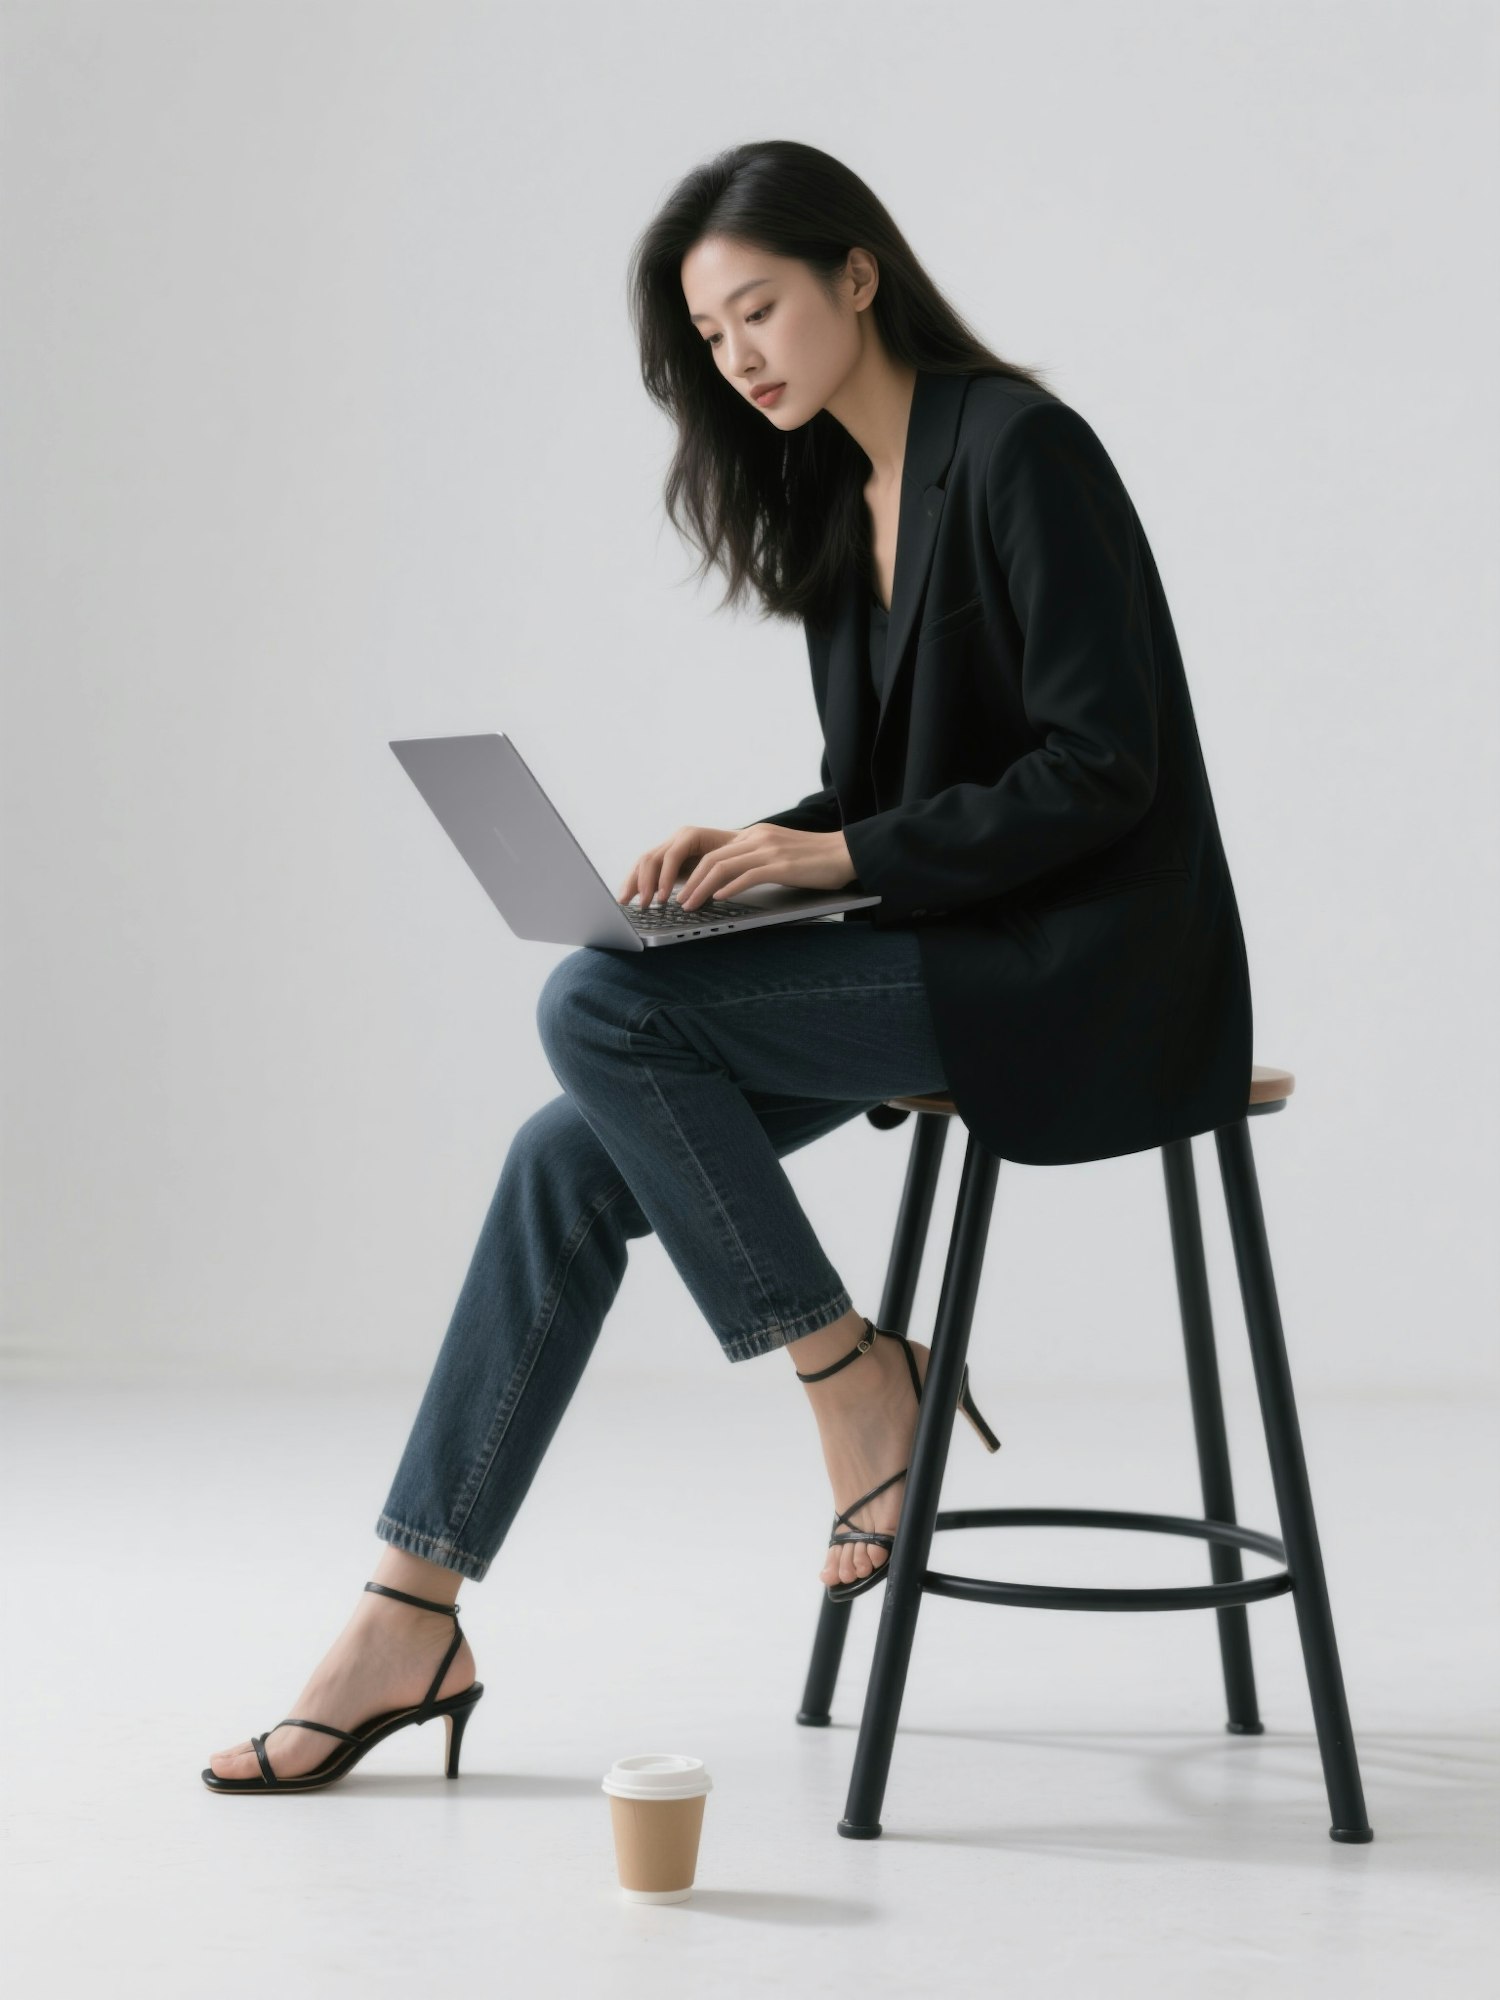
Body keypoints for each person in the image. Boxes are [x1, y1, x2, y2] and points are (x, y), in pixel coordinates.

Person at [206, 139, 1251, 1788]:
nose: (739, 355)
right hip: (955, 944)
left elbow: (1099, 770)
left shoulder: (1022, 451)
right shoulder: (849, 493)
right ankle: (411, 1611)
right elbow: (899, 792)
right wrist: (747, 854)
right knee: (565, 1150)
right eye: (709, 338)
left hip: (1088, 971)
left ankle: (854, 1382)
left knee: (594, 1008)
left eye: (756, 307)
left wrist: (837, 860)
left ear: (857, 274)